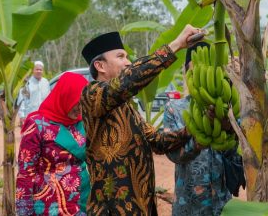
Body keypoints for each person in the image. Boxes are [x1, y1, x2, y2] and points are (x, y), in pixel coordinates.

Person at [80, 26, 202, 215]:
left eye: (127, 57)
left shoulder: (127, 108)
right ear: (100, 66)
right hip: (111, 209)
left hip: (142, 207)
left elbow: (158, 141)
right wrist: (176, 45)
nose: (128, 62)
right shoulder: (92, 95)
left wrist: (194, 129)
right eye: (121, 57)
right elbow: (127, 82)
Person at [163, 42, 244, 216]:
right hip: (188, 205)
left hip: (222, 203)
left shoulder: (229, 108)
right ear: (186, 73)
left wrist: (227, 128)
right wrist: (199, 141)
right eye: (195, 70)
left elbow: (238, 155)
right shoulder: (174, 109)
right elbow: (173, 154)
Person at [16, 72, 90, 216]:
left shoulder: (81, 122)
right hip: (50, 205)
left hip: (82, 201)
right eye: (78, 102)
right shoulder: (37, 124)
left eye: (84, 103)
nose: (81, 108)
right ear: (66, 95)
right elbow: (26, 172)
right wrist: (24, 210)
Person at [18, 61, 50, 126]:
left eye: (40, 70)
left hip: (44, 117)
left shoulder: (46, 82)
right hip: (30, 117)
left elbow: (49, 98)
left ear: (43, 71)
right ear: (33, 70)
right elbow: (22, 100)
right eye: (37, 69)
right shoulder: (27, 83)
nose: (39, 71)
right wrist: (22, 116)